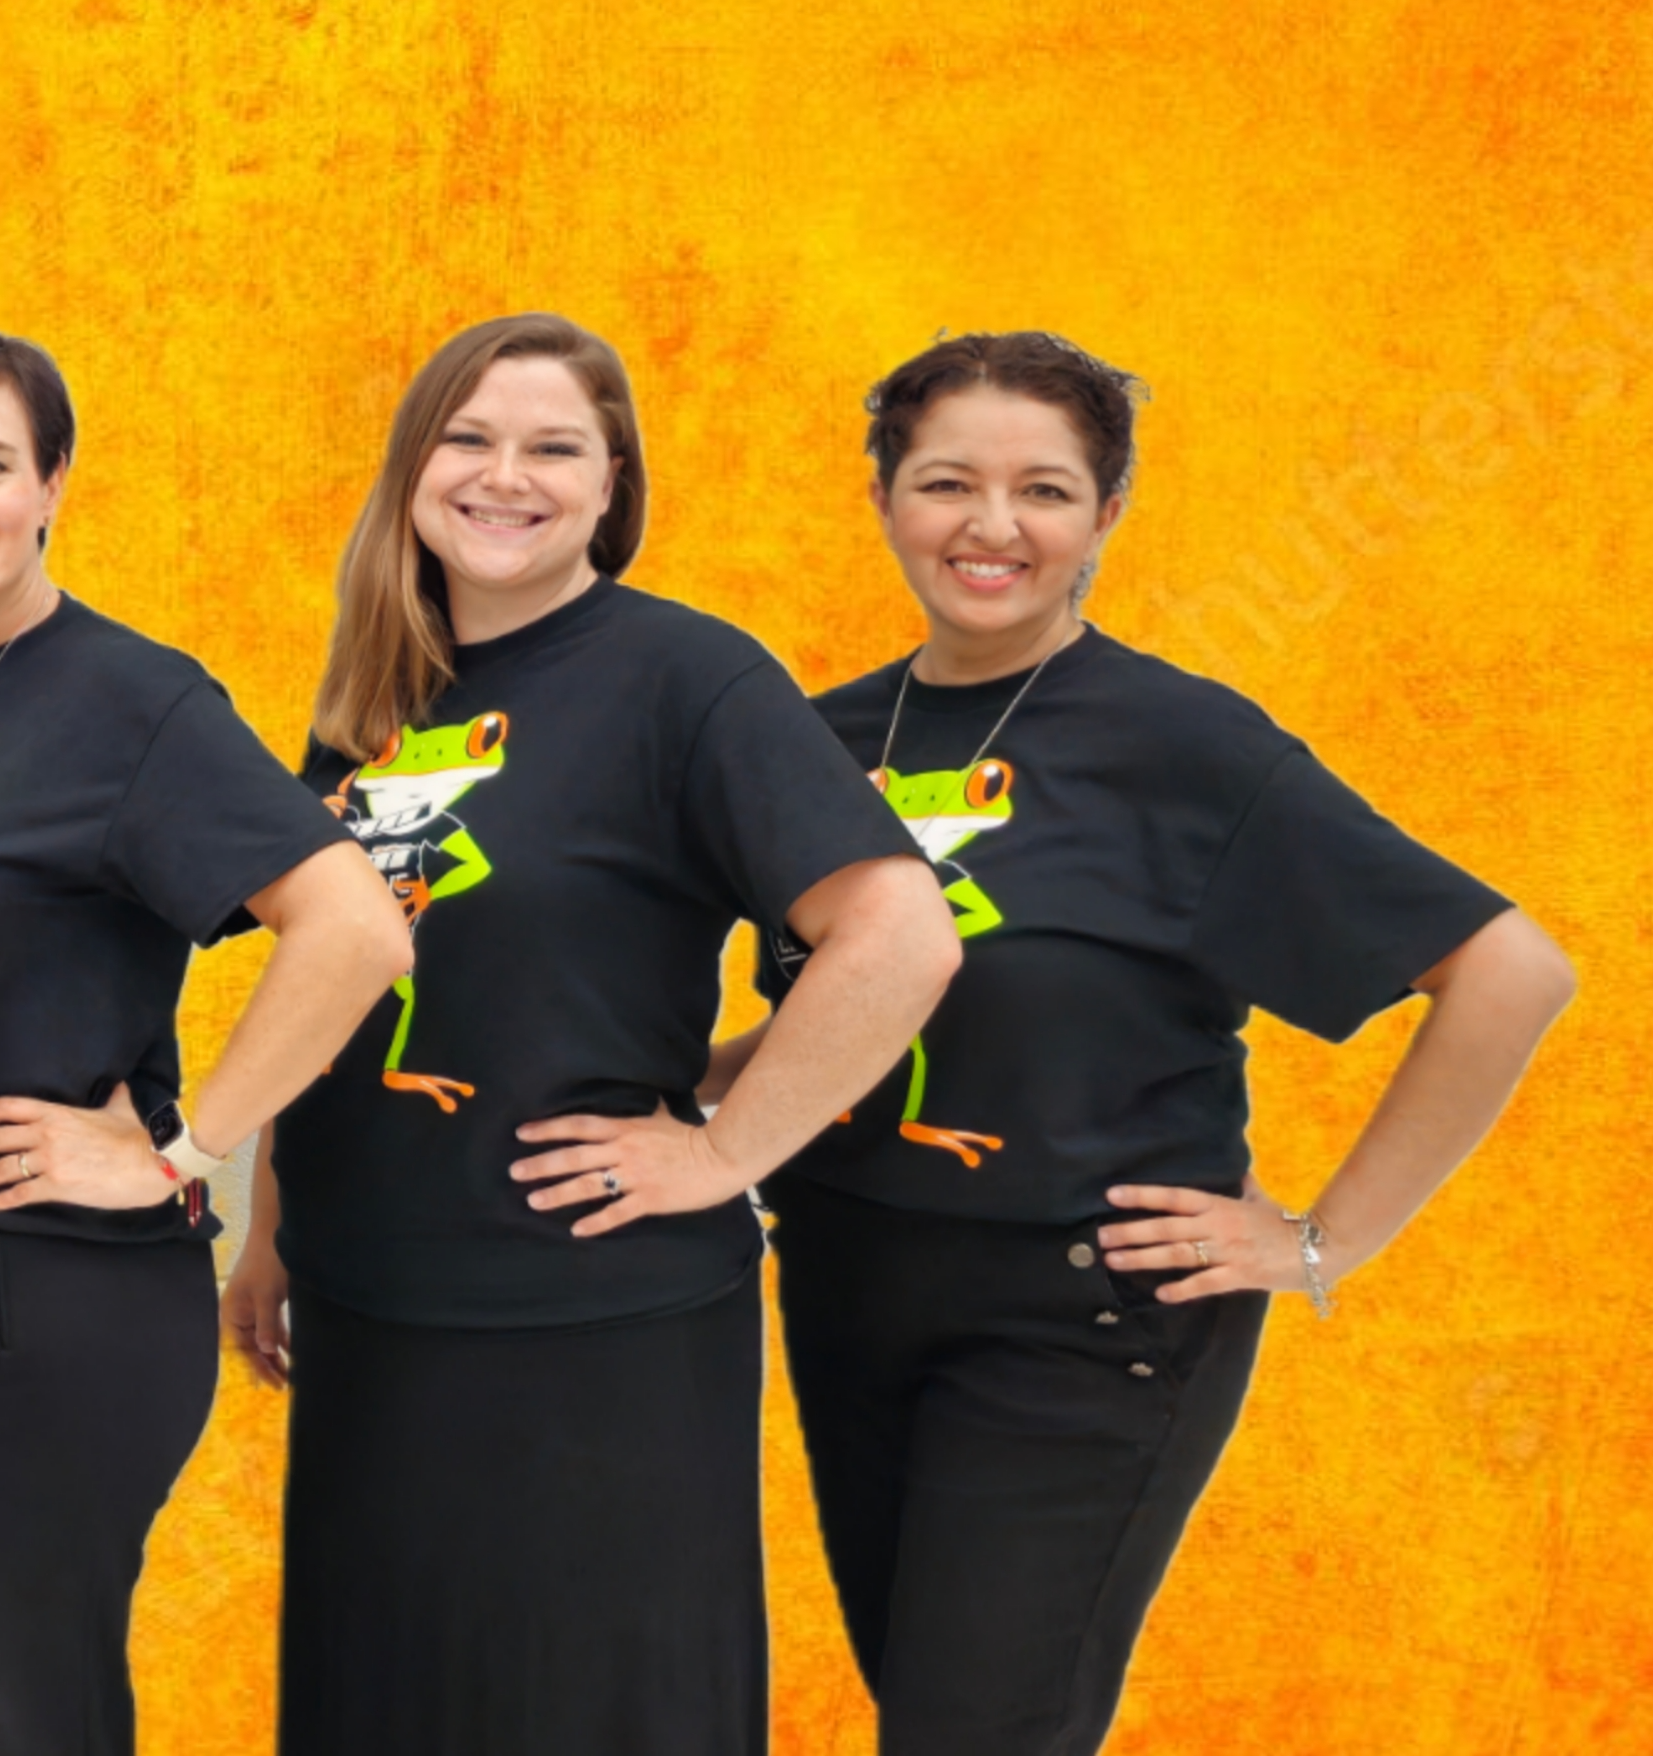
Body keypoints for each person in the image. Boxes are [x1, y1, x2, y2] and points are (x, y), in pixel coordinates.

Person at [735, 332, 1575, 1755]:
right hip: (844, 1290)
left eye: (1045, 490)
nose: (992, 526)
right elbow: (821, 1027)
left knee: (972, 1732)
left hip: (1083, 1319)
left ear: (1106, 516)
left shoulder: (1182, 743)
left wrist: (1322, 1240)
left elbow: (1510, 970)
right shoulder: (808, 742)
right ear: (881, 493)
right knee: (930, 1715)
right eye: (947, 481)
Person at [226, 313, 960, 1756]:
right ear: (413, 467)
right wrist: (268, 1225)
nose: (508, 476)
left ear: (612, 486)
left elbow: (903, 934)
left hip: (586, 1324)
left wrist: (727, 1150)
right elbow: (340, 995)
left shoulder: (688, 677)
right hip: (372, 1313)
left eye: (555, 446)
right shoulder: (375, 706)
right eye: (472, 438)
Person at [0, 325, 411, 1755]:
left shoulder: (137, 701)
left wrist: (181, 1148)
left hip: (49, 1281)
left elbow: (356, 927)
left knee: (33, 1711)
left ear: (52, 479)